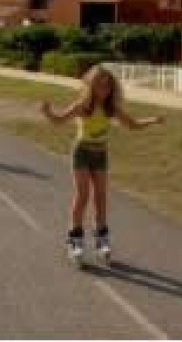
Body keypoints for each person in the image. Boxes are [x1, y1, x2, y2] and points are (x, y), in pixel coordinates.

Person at [39, 65, 164, 266]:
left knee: (101, 198)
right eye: (99, 85)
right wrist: (47, 112)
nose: (103, 90)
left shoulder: (111, 109)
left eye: (107, 86)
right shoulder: (82, 106)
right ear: (90, 86)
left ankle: (101, 240)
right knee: (82, 196)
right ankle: (75, 241)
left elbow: (132, 125)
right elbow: (59, 120)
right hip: (82, 152)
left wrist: (153, 120)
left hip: (100, 155)